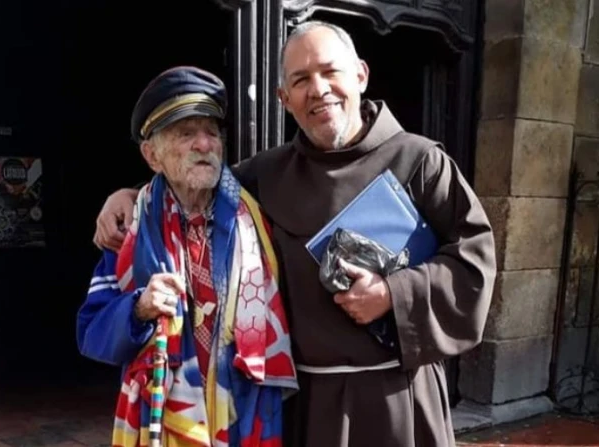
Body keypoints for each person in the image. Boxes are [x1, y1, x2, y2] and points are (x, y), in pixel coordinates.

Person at [93, 22, 496, 447]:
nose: (318, 90)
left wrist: (393, 294)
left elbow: (475, 262)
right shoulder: (267, 174)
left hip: (398, 400)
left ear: (360, 74)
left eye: (330, 71)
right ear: (284, 99)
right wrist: (129, 195)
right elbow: (192, 182)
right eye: (301, 80)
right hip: (306, 407)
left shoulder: (420, 161)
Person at [76, 66, 297, 447]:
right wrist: (138, 309)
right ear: (152, 155)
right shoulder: (131, 230)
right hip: (165, 415)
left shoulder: (260, 213)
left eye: (211, 131)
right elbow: (91, 330)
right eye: (186, 133)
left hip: (245, 410)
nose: (204, 144)